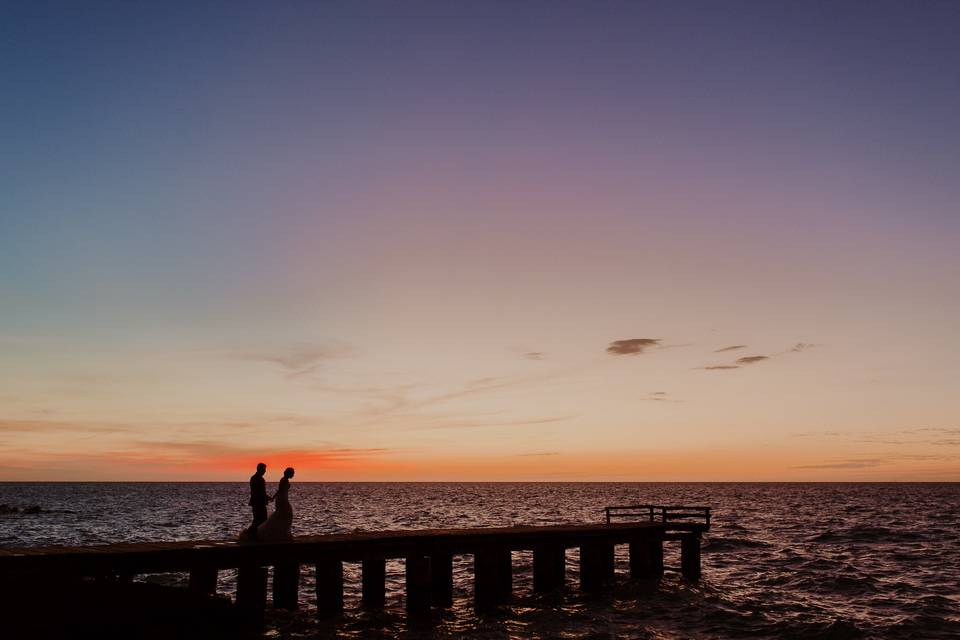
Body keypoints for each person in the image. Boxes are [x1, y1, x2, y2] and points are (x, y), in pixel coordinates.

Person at [256, 467, 295, 542]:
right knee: (285, 515)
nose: (293, 474)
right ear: (289, 473)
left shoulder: (285, 479)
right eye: (292, 473)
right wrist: (273, 497)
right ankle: (278, 534)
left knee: (284, 516)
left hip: (284, 498)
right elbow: (279, 490)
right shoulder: (283, 480)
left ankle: (283, 534)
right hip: (282, 500)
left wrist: (274, 497)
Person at [245, 462, 272, 541]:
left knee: (258, 520)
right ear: (260, 469)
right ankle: (250, 535)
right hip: (259, 503)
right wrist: (267, 498)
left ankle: (253, 536)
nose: (265, 471)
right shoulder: (258, 479)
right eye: (264, 469)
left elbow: (260, 492)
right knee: (261, 520)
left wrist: (267, 497)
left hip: (256, 502)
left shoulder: (254, 478)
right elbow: (260, 492)